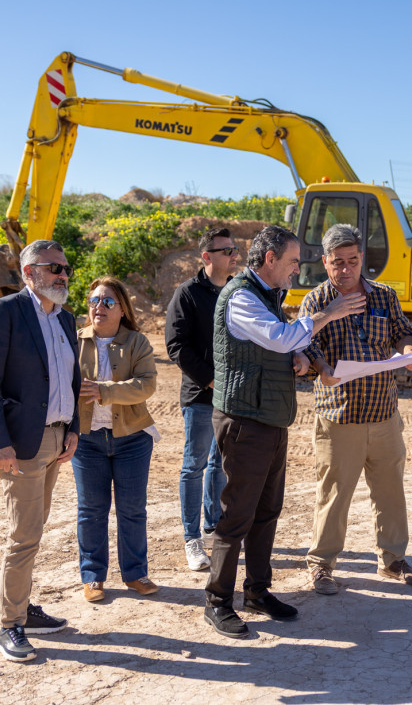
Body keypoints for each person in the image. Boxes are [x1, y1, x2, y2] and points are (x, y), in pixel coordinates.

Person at [204, 224, 365, 639]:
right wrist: (324, 316)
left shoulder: (267, 296)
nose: (297, 269)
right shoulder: (241, 296)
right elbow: (278, 336)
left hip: (269, 419)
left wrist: (296, 355)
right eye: (293, 261)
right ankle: (217, 601)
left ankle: (257, 592)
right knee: (237, 515)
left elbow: (280, 344)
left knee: (266, 512)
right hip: (244, 421)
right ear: (270, 259)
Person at [298, 223, 412, 595]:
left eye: (352, 261)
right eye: (337, 262)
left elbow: (402, 331)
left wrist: (406, 352)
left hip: (384, 414)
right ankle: (322, 564)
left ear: (361, 259)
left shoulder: (384, 296)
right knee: (334, 494)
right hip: (339, 417)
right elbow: (305, 342)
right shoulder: (316, 301)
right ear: (325, 262)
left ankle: (393, 559)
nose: (346, 269)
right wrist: (322, 370)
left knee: (390, 490)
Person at [0, 239, 81, 662]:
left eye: (66, 268)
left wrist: (72, 428)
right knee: (23, 537)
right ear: (29, 272)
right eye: (54, 268)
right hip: (20, 443)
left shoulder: (66, 320)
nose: (63, 275)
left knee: (35, 532)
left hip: (55, 439)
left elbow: (70, 380)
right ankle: (10, 624)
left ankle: (23, 608)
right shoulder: (5, 312)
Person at [73, 277, 160, 603]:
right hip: (87, 440)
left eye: (108, 302)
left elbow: (146, 385)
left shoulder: (137, 342)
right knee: (91, 510)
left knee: (132, 510)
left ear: (122, 308)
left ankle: (135, 574)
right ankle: (92, 577)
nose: (99, 307)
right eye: (94, 300)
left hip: (132, 440)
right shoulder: (74, 340)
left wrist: (104, 391)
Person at [164, 227, 241, 572]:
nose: (233, 255)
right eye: (226, 251)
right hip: (200, 394)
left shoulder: (237, 292)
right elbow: (176, 346)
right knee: (194, 466)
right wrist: (211, 380)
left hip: (230, 395)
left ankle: (213, 525)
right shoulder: (187, 293)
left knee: (219, 464)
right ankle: (192, 538)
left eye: (235, 250)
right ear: (207, 257)